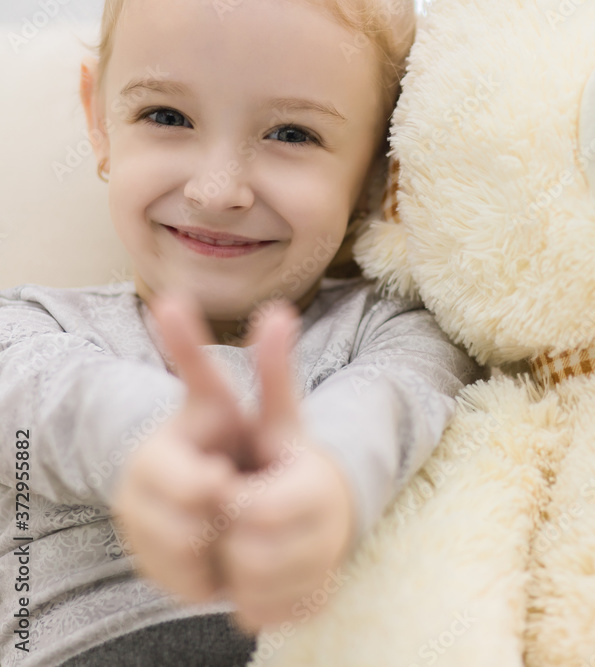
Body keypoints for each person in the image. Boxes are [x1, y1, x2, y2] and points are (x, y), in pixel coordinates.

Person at [0, 0, 484, 664]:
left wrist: (322, 476)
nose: (216, 189)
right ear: (99, 122)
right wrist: (158, 442)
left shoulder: (395, 328)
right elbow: (49, 402)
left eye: (292, 134)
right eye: (166, 117)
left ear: (377, 171)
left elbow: (392, 405)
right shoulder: (28, 325)